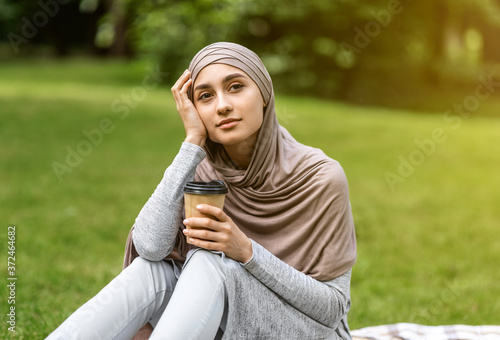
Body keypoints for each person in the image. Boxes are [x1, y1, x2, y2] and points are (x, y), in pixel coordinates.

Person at [46, 42, 357, 340]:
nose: (222, 106)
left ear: (263, 93)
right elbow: (151, 247)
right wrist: (193, 141)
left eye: (236, 87)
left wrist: (246, 251)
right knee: (151, 272)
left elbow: (331, 309)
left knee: (210, 261)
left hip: (308, 331)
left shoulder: (321, 177)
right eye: (205, 96)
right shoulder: (202, 169)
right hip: (220, 319)